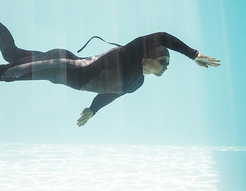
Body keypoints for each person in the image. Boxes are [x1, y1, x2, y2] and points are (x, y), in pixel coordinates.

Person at [0, 23, 220, 127]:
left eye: (168, 64)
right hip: (61, 65)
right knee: (10, 72)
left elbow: (109, 94)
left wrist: (92, 110)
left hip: (61, 70)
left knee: (11, 54)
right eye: (164, 61)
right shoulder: (128, 56)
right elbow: (161, 36)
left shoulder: (137, 84)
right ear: (146, 59)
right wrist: (193, 55)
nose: (166, 66)